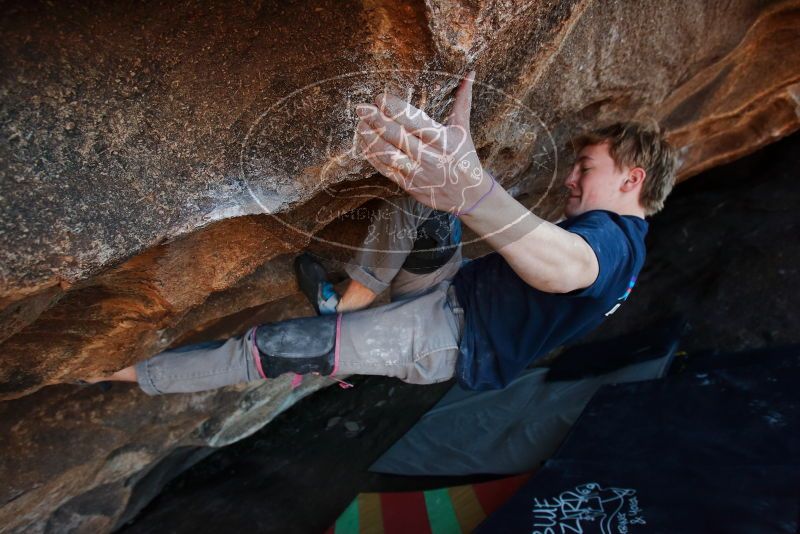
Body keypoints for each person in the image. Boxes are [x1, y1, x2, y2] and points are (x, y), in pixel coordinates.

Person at [87, 70, 678, 393]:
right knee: (421, 206)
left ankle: (114, 374)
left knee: (273, 349)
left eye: (587, 169)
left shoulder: (613, 245)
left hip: (445, 340)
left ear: (633, 178)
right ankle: (346, 305)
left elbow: (570, 269)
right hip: (453, 289)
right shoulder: (619, 238)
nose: (571, 179)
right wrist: (460, 195)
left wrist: (477, 192)